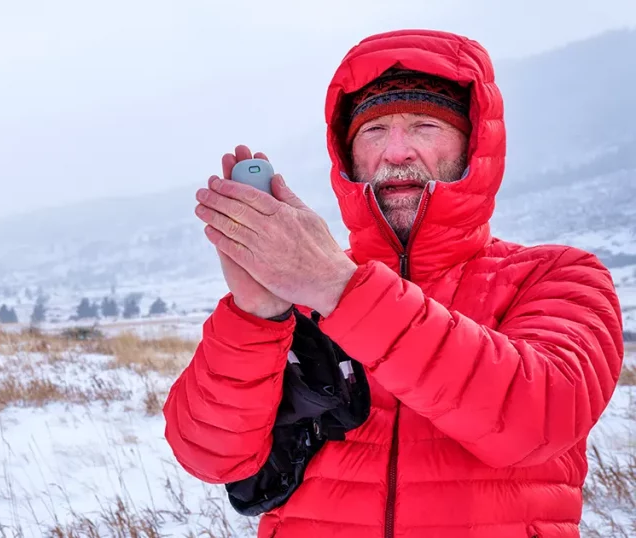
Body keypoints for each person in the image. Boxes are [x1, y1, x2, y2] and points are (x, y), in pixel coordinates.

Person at [162, 28, 625, 538]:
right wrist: (257, 313)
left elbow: (538, 420)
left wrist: (338, 289)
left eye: (425, 125)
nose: (396, 152)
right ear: (348, 154)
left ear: (475, 145)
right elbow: (210, 457)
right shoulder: (301, 290)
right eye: (374, 130)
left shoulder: (557, 276)